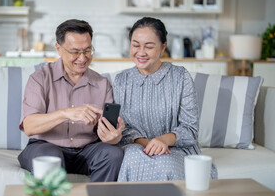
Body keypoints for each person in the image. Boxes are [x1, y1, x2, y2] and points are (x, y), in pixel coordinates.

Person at [18, 19, 125, 182]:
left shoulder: (102, 84)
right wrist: (67, 114)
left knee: (113, 153)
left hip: (87, 150)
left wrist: (114, 136)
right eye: (75, 52)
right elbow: (29, 126)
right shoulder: (40, 78)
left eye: (88, 50)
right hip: (45, 147)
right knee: (50, 157)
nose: (82, 58)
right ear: (58, 49)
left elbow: (107, 132)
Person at [113, 17, 217, 182]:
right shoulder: (121, 81)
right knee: (130, 160)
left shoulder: (180, 77)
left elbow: (190, 129)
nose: (141, 52)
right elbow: (122, 128)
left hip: (175, 149)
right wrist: (148, 143)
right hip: (135, 147)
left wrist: (163, 140)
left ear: (162, 48)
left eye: (149, 46)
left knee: (165, 164)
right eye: (135, 45)